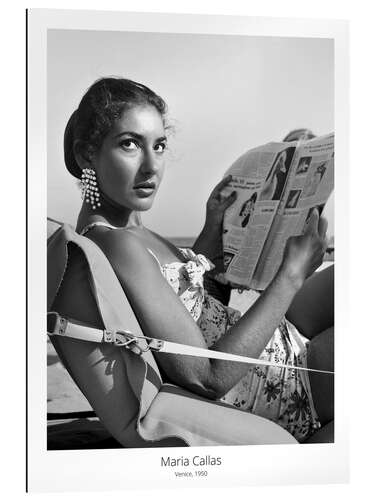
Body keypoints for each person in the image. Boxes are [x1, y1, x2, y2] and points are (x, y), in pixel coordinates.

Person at [50, 77, 333, 444]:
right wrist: (291, 275)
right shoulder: (116, 244)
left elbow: (191, 311)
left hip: (274, 345)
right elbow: (207, 375)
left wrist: (211, 233)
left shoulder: (130, 233)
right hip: (287, 381)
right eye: (130, 144)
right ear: (88, 153)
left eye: (160, 145)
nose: (152, 166)